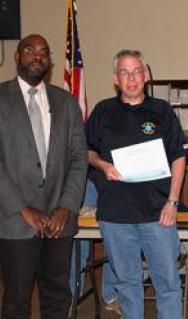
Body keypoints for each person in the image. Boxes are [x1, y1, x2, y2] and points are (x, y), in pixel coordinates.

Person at [85, 49, 188, 319]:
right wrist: (103, 165)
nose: (131, 78)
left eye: (136, 72)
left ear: (145, 75)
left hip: (158, 215)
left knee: (167, 284)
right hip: (115, 216)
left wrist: (173, 202)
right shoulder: (102, 111)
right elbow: (86, 151)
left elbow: (179, 156)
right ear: (115, 79)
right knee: (127, 285)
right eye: (124, 72)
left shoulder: (162, 111)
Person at [0, 34, 88, 319]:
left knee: (56, 298)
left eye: (43, 52)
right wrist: (22, 208)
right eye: (30, 50)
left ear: (50, 60)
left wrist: (66, 207)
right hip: (15, 220)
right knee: (16, 300)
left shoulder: (66, 102)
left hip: (58, 221)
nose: (37, 56)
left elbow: (78, 159)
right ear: (17, 56)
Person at [69, 179, 120, 315]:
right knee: (80, 241)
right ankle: (72, 295)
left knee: (116, 241)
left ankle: (112, 294)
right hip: (89, 179)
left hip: (119, 182)